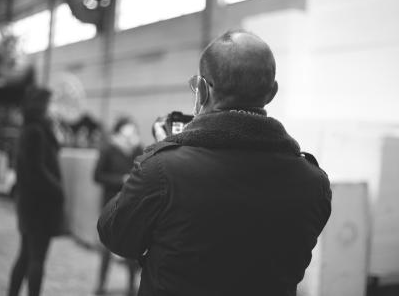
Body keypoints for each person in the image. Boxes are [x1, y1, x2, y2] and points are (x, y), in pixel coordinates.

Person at [97, 29, 332, 296]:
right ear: (272, 92)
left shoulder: (163, 170)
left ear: (201, 91)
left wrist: (162, 150)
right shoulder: (314, 183)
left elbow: (116, 235)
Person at [7, 87, 65, 296]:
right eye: (51, 103)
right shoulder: (35, 131)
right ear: (42, 106)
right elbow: (36, 170)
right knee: (36, 259)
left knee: (26, 255)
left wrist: (54, 128)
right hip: (39, 206)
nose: (55, 107)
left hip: (32, 204)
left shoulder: (37, 129)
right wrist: (57, 189)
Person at [94, 117, 143, 295]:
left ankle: (131, 288)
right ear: (119, 133)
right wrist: (120, 180)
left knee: (132, 248)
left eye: (133, 133)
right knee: (106, 249)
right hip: (111, 204)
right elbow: (97, 175)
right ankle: (101, 284)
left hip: (132, 204)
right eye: (127, 133)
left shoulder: (138, 149)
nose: (130, 137)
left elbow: (145, 171)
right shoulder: (108, 149)